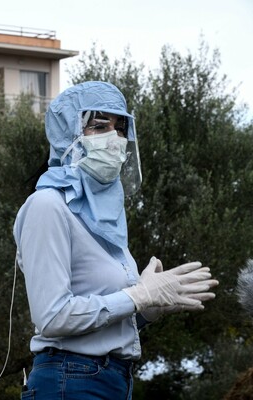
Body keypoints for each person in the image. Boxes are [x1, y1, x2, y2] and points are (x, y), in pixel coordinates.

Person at [13, 81, 219, 400]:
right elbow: (53, 317)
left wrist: (149, 308)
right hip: (71, 378)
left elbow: (102, 316)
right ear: (69, 134)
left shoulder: (104, 215)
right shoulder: (48, 206)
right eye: (99, 126)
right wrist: (138, 295)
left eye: (121, 128)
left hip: (113, 379)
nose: (116, 138)